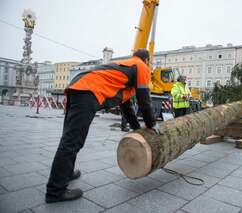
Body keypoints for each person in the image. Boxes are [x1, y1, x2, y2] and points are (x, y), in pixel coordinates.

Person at [46, 49, 160, 203]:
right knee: (71, 141)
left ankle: (66, 173)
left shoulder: (126, 72)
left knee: (74, 139)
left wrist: (138, 131)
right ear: (146, 60)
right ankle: (55, 191)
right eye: (150, 63)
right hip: (88, 90)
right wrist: (152, 125)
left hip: (80, 86)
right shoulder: (141, 66)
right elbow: (144, 101)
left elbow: (127, 109)